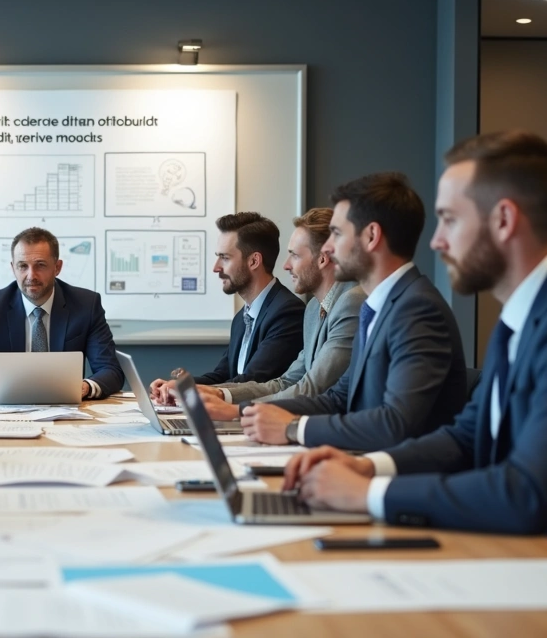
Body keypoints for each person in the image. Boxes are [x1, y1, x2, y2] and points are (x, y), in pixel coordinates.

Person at [282, 131, 547, 588]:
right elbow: (466, 436)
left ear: (503, 220)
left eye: (450, 220)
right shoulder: (525, 312)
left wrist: (369, 493)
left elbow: (524, 491)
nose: (436, 241)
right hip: (532, 557)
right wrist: (368, 466)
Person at [240, 173, 466, 451]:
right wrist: (247, 412)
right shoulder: (379, 306)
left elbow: (394, 424)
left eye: (337, 233)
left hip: (400, 477)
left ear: (371, 236)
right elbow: (337, 398)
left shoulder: (418, 310)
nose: (329, 248)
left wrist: (292, 428)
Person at [198, 208, 365, 419]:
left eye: (294, 255)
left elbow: (312, 388)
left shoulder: (352, 302)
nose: (286, 265)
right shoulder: (314, 309)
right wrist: (220, 393)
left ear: (323, 259)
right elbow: (284, 382)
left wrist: (236, 410)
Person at [150, 212, 304, 403]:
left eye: (225, 258)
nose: (216, 267)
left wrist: (191, 392)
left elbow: (252, 381)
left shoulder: (287, 312)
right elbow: (221, 376)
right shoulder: (242, 317)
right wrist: (180, 386)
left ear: (254, 261)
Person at [0, 227, 124, 398]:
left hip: (68, 408)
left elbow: (110, 370)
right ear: (13, 268)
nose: (31, 275)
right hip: (9, 407)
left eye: (40, 265)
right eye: (23, 266)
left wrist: (86, 387)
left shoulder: (86, 305)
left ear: (57, 267)